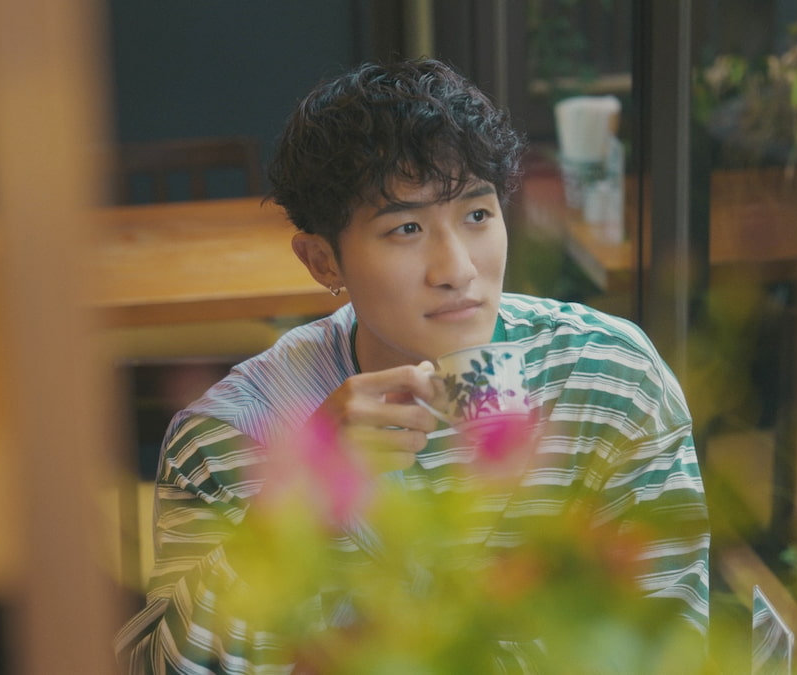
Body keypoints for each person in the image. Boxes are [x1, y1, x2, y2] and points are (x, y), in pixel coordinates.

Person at [114, 58, 710, 673]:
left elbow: (670, 647)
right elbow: (165, 667)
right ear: (322, 261)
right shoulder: (227, 439)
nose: (457, 270)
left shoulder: (607, 377)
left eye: (477, 216)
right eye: (405, 228)